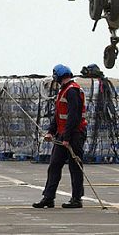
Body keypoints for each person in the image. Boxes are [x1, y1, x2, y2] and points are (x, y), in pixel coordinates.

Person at [33, 64, 88, 209]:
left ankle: (77, 198)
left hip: (74, 135)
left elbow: (74, 117)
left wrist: (67, 138)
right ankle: (48, 197)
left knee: (75, 166)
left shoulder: (72, 91)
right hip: (62, 134)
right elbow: (59, 115)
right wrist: (51, 131)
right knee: (54, 165)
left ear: (58, 76)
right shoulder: (63, 91)